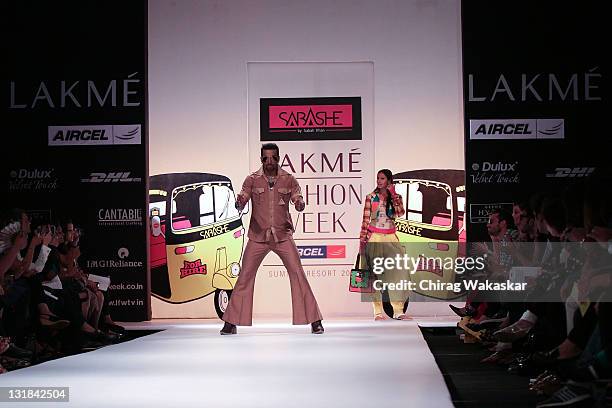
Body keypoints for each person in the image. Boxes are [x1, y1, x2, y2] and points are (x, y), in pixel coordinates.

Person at [220, 143, 323, 335]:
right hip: (258, 236)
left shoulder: (288, 179)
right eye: (266, 158)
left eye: (273, 158)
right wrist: (240, 201)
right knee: (244, 277)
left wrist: (299, 203)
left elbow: (296, 195)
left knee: (298, 274)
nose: (269, 161)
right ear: (261, 159)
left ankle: (314, 320)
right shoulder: (252, 179)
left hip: (282, 235)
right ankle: (231, 322)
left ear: (278, 158)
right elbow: (243, 194)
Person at [359, 169, 410, 321]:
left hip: (390, 237)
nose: (379, 181)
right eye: (378, 178)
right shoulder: (371, 197)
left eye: (382, 178)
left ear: (388, 180)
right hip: (374, 237)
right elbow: (366, 220)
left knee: (397, 274)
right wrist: (362, 240)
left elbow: (400, 213)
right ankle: (377, 312)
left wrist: (393, 194)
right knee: (375, 275)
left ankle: (398, 310)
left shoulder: (396, 197)